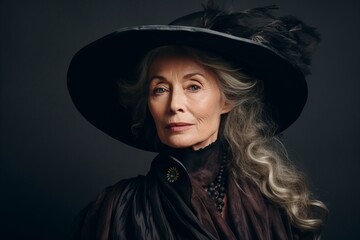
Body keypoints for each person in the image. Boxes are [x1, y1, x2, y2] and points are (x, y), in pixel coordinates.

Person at [67, 2, 327, 239]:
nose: (174, 105)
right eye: (160, 89)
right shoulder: (116, 209)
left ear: (227, 99)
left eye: (193, 87)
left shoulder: (272, 206)